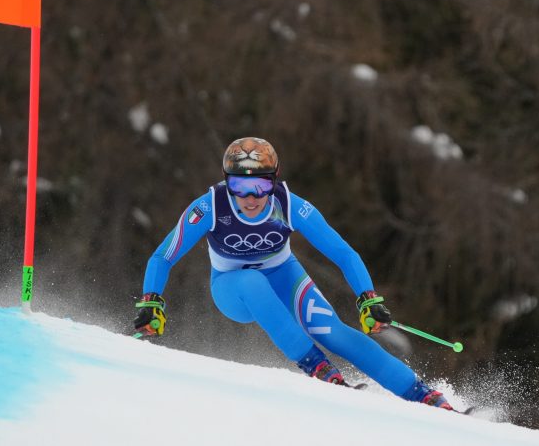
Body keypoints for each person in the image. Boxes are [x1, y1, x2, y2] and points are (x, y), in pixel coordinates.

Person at [133, 136, 454, 410]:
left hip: (283, 275)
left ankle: (422, 395)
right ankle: (319, 368)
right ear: (226, 181)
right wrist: (151, 302)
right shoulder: (209, 206)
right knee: (252, 279)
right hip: (232, 289)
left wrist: (368, 299)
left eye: (260, 185)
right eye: (239, 186)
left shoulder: (289, 205)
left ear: (274, 180)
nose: (250, 197)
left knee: (332, 331)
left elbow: (343, 252)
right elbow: (163, 256)